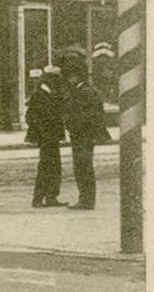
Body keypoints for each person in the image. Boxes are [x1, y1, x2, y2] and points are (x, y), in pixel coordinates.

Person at [64, 64, 110, 210]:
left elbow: (88, 115)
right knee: (83, 167)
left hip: (82, 135)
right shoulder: (84, 91)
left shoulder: (84, 92)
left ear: (76, 77)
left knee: (83, 167)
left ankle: (86, 200)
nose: (69, 80)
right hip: (82, 135)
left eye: (71, 76)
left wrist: (74, 126)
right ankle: (85, 199)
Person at [25, 64, 67, 207]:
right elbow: (30, 116)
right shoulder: (40, 94)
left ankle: (51, 196)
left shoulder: (52, 93)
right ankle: (39, 198)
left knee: (54, 166)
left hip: (52, 136)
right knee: (47, 167)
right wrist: (42, 130)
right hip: (47, 136)